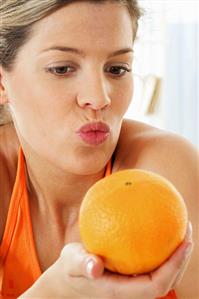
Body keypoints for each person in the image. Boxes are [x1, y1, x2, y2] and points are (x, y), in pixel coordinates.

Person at [0, 0, 198, 298]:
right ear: (2, 82)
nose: (99, 97)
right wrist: (54, 293)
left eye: (117, 69)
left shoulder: (165, 172)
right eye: (62, 68)